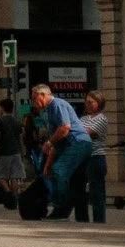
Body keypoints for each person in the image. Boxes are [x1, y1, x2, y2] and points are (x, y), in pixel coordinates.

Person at [32, 82, 92, 219]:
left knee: (58, 171)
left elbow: (65, 128)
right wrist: (47, 164)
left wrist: (49, 142)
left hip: (77, 142)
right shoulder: (48, 110)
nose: (33, 101)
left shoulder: (57, 104)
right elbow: (57, 143)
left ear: (43, 95)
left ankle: (61, 209)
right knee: (77, 182)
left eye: (34, 97)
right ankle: (82, 218)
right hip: (76, 144)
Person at [70, 91, 108, 222]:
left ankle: (99, 221)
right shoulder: (83, 118)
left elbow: (86, 133)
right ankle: (82, 219)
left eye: (91, 102)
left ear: (99, 103)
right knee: (78, 189)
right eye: (86, 102)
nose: (88, 105)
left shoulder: (102, 118)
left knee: (96, 191)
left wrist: (76, 132)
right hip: (81, 158)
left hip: (95, 157)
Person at [0, 97, 26, 210]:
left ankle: (8, 193)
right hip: (16, 152)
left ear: (3, 108)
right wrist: (22, 151)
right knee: (14, 176)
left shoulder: (0, 121)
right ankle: (14, 199)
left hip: (5, 152)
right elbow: (20, 138)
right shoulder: (17, 122)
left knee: (0, 176)